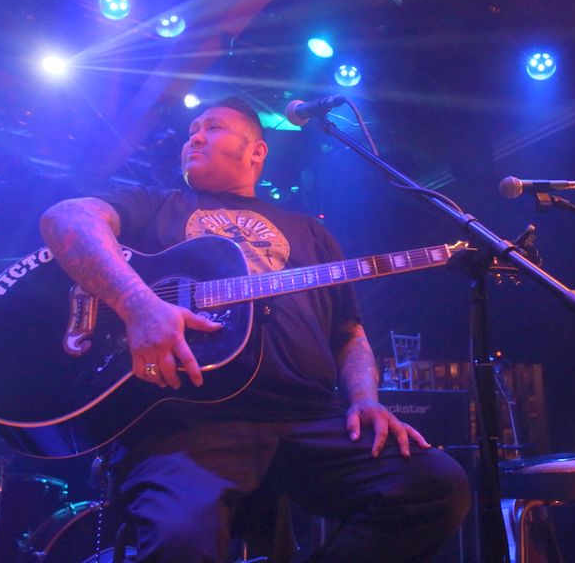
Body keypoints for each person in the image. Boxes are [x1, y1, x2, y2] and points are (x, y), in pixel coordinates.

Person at [39, 97, 470, 562]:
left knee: (436, 487)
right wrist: (137, 304)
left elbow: (350, 334)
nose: (195, 137)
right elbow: (65, 219)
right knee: (181, 539)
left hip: (310, 417)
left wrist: (365, 399)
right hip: (189, 423)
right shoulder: (157, 205)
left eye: (213, 127)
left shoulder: (310, 232)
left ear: (257, 151)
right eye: (192, 130)